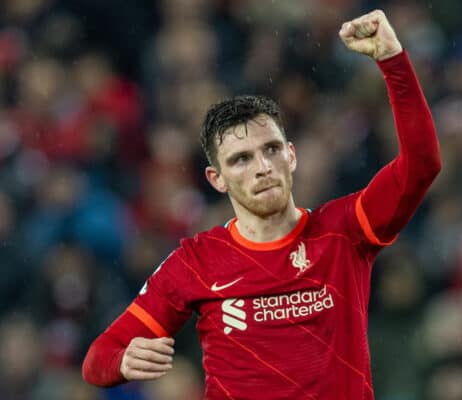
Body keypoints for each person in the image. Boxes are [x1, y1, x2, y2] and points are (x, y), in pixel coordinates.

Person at [82, 9, 441, 399]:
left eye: (270, 150)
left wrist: (392, 59)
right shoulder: (197, 261)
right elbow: (97, 360)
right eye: (241, 159)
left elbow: (422, 164)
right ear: (216, 179)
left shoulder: (345, 230)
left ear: (291, 156)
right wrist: (121, 362)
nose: (263, 167)